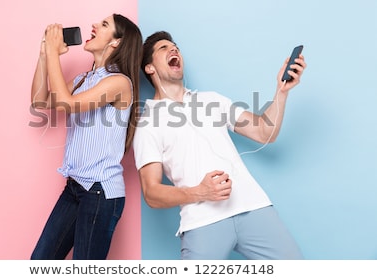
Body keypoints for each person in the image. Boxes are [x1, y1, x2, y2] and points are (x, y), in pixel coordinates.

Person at [132, 31, 306, 260]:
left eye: (175, 47)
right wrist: (199, 192)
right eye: (164, 48)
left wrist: (281, 92)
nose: (174, 50)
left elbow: (265, 132)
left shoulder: (211, 100)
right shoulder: (147, 124)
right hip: (202, 221)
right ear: (149, 68)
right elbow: (152, 193)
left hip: (252, 207)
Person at [30, 14, 142, 260]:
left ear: (116, 43)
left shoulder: (119, 83)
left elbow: (69, 104)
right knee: (40, 262)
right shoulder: (83, 79)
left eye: (104, 25)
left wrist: (52, 53)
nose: (94, 25)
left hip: (100, 193)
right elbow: (40, 101)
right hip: (75, 187)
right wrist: (43, 56)